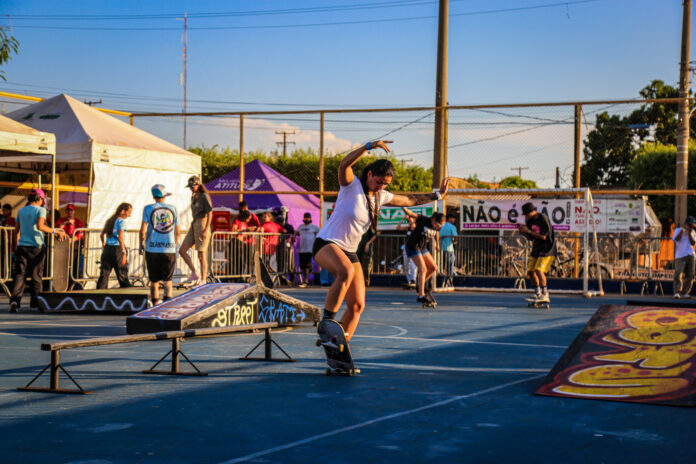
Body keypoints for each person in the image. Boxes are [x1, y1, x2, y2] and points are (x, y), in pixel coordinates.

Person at [313, 139, 451, 342]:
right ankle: (327, 322)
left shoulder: (381, 197)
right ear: (369, 174)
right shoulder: (351, 186)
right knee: (345, 272)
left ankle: (339, 345)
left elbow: (410, 200)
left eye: (385, 184)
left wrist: (437, 195)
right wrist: (367, 147)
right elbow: (344, 165)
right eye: (378, 182)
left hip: (350, 252)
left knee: (358, 305)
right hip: (327, 243)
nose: (380, 187)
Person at [9, 189, 67, 312]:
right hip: (36, 246)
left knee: (20, 275)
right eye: (43, 199)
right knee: (36, 275)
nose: (43, 202)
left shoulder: (21, 210)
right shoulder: (40, 210)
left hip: (22, 246)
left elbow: (16, 231)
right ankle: (35, 303)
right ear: (39, 198)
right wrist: (57, 231)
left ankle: (15, 301)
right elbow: (40, 226)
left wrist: (17, 245)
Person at [139, 184, 179, 306]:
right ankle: (167, 307)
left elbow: (143, 230)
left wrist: (141, 243)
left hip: (152, 248)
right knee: (168, 281)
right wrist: (174, 245)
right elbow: (177, 231)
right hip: (169, 248)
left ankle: (155, 305)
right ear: (164, 196)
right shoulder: (173, 209)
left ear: (153, 196)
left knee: (154, 281)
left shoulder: (147, 208)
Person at [402, 208, 446, 305]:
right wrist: (403, 206)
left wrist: (437, 244)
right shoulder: (423, 219)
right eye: (438, 224)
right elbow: (411, 213)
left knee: (434, 267)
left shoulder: (436, 227)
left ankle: (420, 284)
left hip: (422, 248)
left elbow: (437, 233)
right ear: (434, 220)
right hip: (413, 246)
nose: (438, 227)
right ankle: (421, 295)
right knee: (423, 269)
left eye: (440, 226)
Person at [517, 202, 556, 305]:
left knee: (539, 270)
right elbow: (531, 238)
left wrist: (528, 231)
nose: (526, 216)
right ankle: (538, 293)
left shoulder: (543, 219)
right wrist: (524, 233)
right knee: (530, 272)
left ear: (532, 211)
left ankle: (545, 293)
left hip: (547, 249)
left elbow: (544, 237)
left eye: (527, 214)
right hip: (536, 249)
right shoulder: (529, 220)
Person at [179, 176, 213, 286]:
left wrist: (206, 228)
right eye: (190, 187)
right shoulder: (194, 197)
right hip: (194, 223)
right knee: (182, 250)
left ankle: (203, 279)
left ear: (198, 185)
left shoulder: (204, 196)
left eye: (192, 186)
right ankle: (195, 272)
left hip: (203, 223)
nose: (191, 189)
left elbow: (210, 213)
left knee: (201, 254)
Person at [97, 202, 133, 289]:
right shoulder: (121, 221)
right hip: (118, 249)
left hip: (107, 249)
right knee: (122, 274)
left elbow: (102, 234)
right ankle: (127, 297)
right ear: (123, 211)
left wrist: (103, 244)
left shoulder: (110, 220)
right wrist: (124, 252)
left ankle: (98, 296)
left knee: (104, 274)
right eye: (129, 212)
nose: (129, 215)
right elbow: (120, 238)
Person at [672, 215, 696, 298]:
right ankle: (677, 292)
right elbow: (676, 239)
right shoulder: (678, 230)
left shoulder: (693, 232)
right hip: (680, 255)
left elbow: (693, 243)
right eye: (689, 224)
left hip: (690, 254)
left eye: (692, 225)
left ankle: (685, 292)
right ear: (686, 223)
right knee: (678, 273)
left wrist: (689, 232)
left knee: (690, 275)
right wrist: (683, 230)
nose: (690, 226)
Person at [293, 212, 320, 287]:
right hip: (302, 249)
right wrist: (294, 237)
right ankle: (304, 280)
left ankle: (306, 280)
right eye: (305, 218)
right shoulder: (300, 227)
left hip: (310, 249)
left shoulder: (313, 227)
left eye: (308, 218)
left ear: (310, 219)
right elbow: (296, 232)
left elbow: (321, 232)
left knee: (306, 266)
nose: (306, 219)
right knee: (303, 266)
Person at [396, 214, 418, 288]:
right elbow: (398, 227)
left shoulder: (417, 229)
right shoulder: (407, 228)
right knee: (406, 265)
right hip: (406, 248)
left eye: (411, 222)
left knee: (413, 265)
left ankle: (413, 279)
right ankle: (409, 280)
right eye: (409, 222)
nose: (410, 223)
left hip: (414, 248)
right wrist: (402, 219)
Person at [439, 213, 459, 288]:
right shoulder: (452, 227)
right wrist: (454, 241)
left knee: (442, 266)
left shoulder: (441, 226)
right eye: (453, 218)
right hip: (449, 249)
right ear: (449, 218)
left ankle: (442, 282)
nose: (454, 220)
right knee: (450, 266)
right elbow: (455, 237)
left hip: (440, 249)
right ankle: (449, 282)